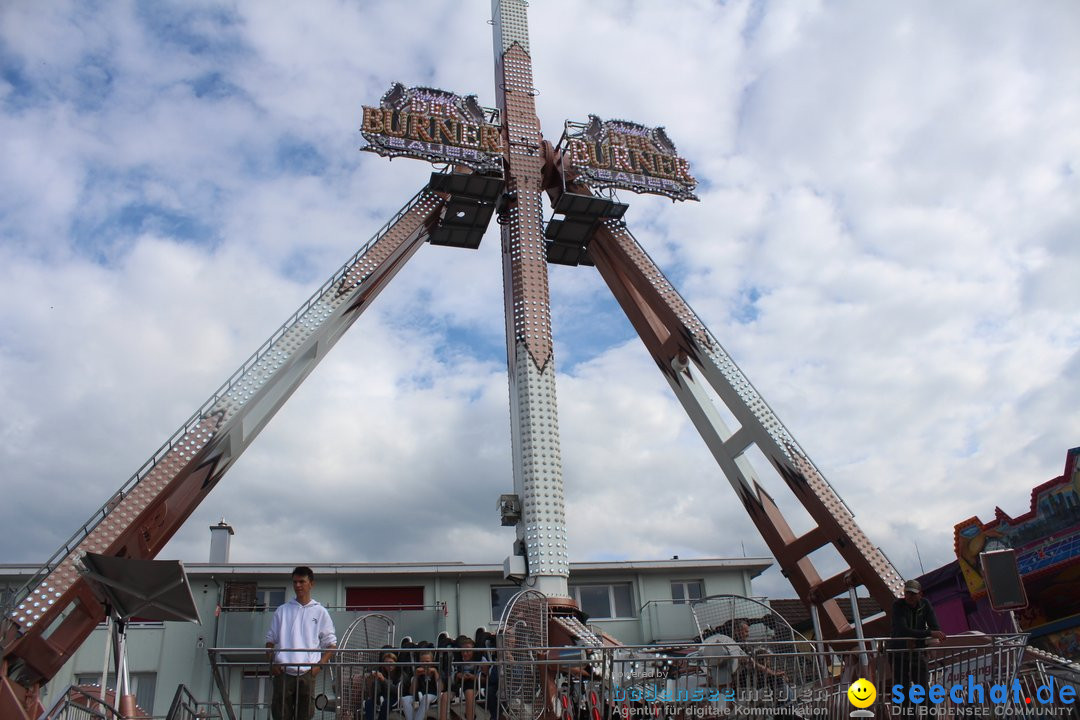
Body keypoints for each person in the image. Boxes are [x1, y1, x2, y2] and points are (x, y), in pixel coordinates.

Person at [265, 566, 338, 720]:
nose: (298, 585)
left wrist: (318, 666)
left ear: (311, 584)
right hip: (283, 672)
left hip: (307, 673)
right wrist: (273, 663)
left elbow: (331, 644)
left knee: (305, 716)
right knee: (280, 715)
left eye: (302, 582)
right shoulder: (282, 610)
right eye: (295, 582)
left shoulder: (320, 611)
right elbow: (270, 641)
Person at [890, 579, 945, 707]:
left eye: (912, 593)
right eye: (907, 592)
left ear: (920, 594)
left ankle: (930, 716)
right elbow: (903, 630)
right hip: (899, 653)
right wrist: (929, 634)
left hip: (917, 652)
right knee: (903, 689)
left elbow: (935, 627)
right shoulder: (898, 605)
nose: (909, 596)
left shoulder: (925, 604)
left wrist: (929, 634)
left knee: (923, 688)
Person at [403, 650, 441, 720]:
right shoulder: (418, 672)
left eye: (427, 662)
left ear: (432, 662)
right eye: (422, 662)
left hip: (433, 695)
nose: (425, 664)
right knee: (405, 699)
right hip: (419, 695)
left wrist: (435, 673)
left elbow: (441, 688)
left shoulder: (437, 670)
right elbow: (411, 692)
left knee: (426, 697)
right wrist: (416, 676)